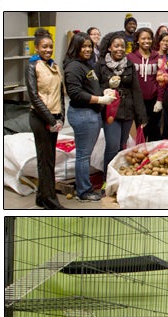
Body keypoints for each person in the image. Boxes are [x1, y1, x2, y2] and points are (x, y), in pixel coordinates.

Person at [64, 31, 110, 202]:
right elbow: (75, 93)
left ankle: (84, 188)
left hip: (92, 113)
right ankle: (83, 192)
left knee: (86, 154)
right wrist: (99, 99)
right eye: (83, 46)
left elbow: (90, 86)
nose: (88, 49)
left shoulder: (87, 65)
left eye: (90, 46)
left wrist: (103, 91)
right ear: (75, 47)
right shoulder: (73, 67)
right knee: (83, 155)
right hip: (83, 114)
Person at [25, 28, 66, 209]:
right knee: (46, 161)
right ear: (36, 48)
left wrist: (61, 117)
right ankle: (51, 201)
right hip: (41, 119)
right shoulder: (32, 66)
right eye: (44, 47)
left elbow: (60, 94)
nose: (48, 50)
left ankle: (41, 197)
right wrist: (51, 120)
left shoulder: (54, 65)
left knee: (48, 159)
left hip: (54, 118)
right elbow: (34, 96)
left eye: (50, 46)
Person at [98, 31, 147, 170]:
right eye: (116, 46)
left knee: (122, 146)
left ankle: (118, 176)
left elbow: (136, 91)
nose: (120, 49)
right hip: (110, 112)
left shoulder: (129, 65)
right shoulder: (101, 65)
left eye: (122, 46)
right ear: (109, 48)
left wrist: (141, 117)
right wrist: (106, 89)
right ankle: (106, 179)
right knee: (112, 146)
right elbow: (95, 87)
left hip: (127, 110)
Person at [129, 27, 165, 141]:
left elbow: (161, 80)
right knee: (142, 132)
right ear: (138, 40)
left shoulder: (158, 57)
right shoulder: (130, 57)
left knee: (155, 131)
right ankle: (142, 156)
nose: (146, 41)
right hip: (137, 102)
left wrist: (159, 100)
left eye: (149, 38)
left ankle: (154, 158)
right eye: (143, 38)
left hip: (154, 100)